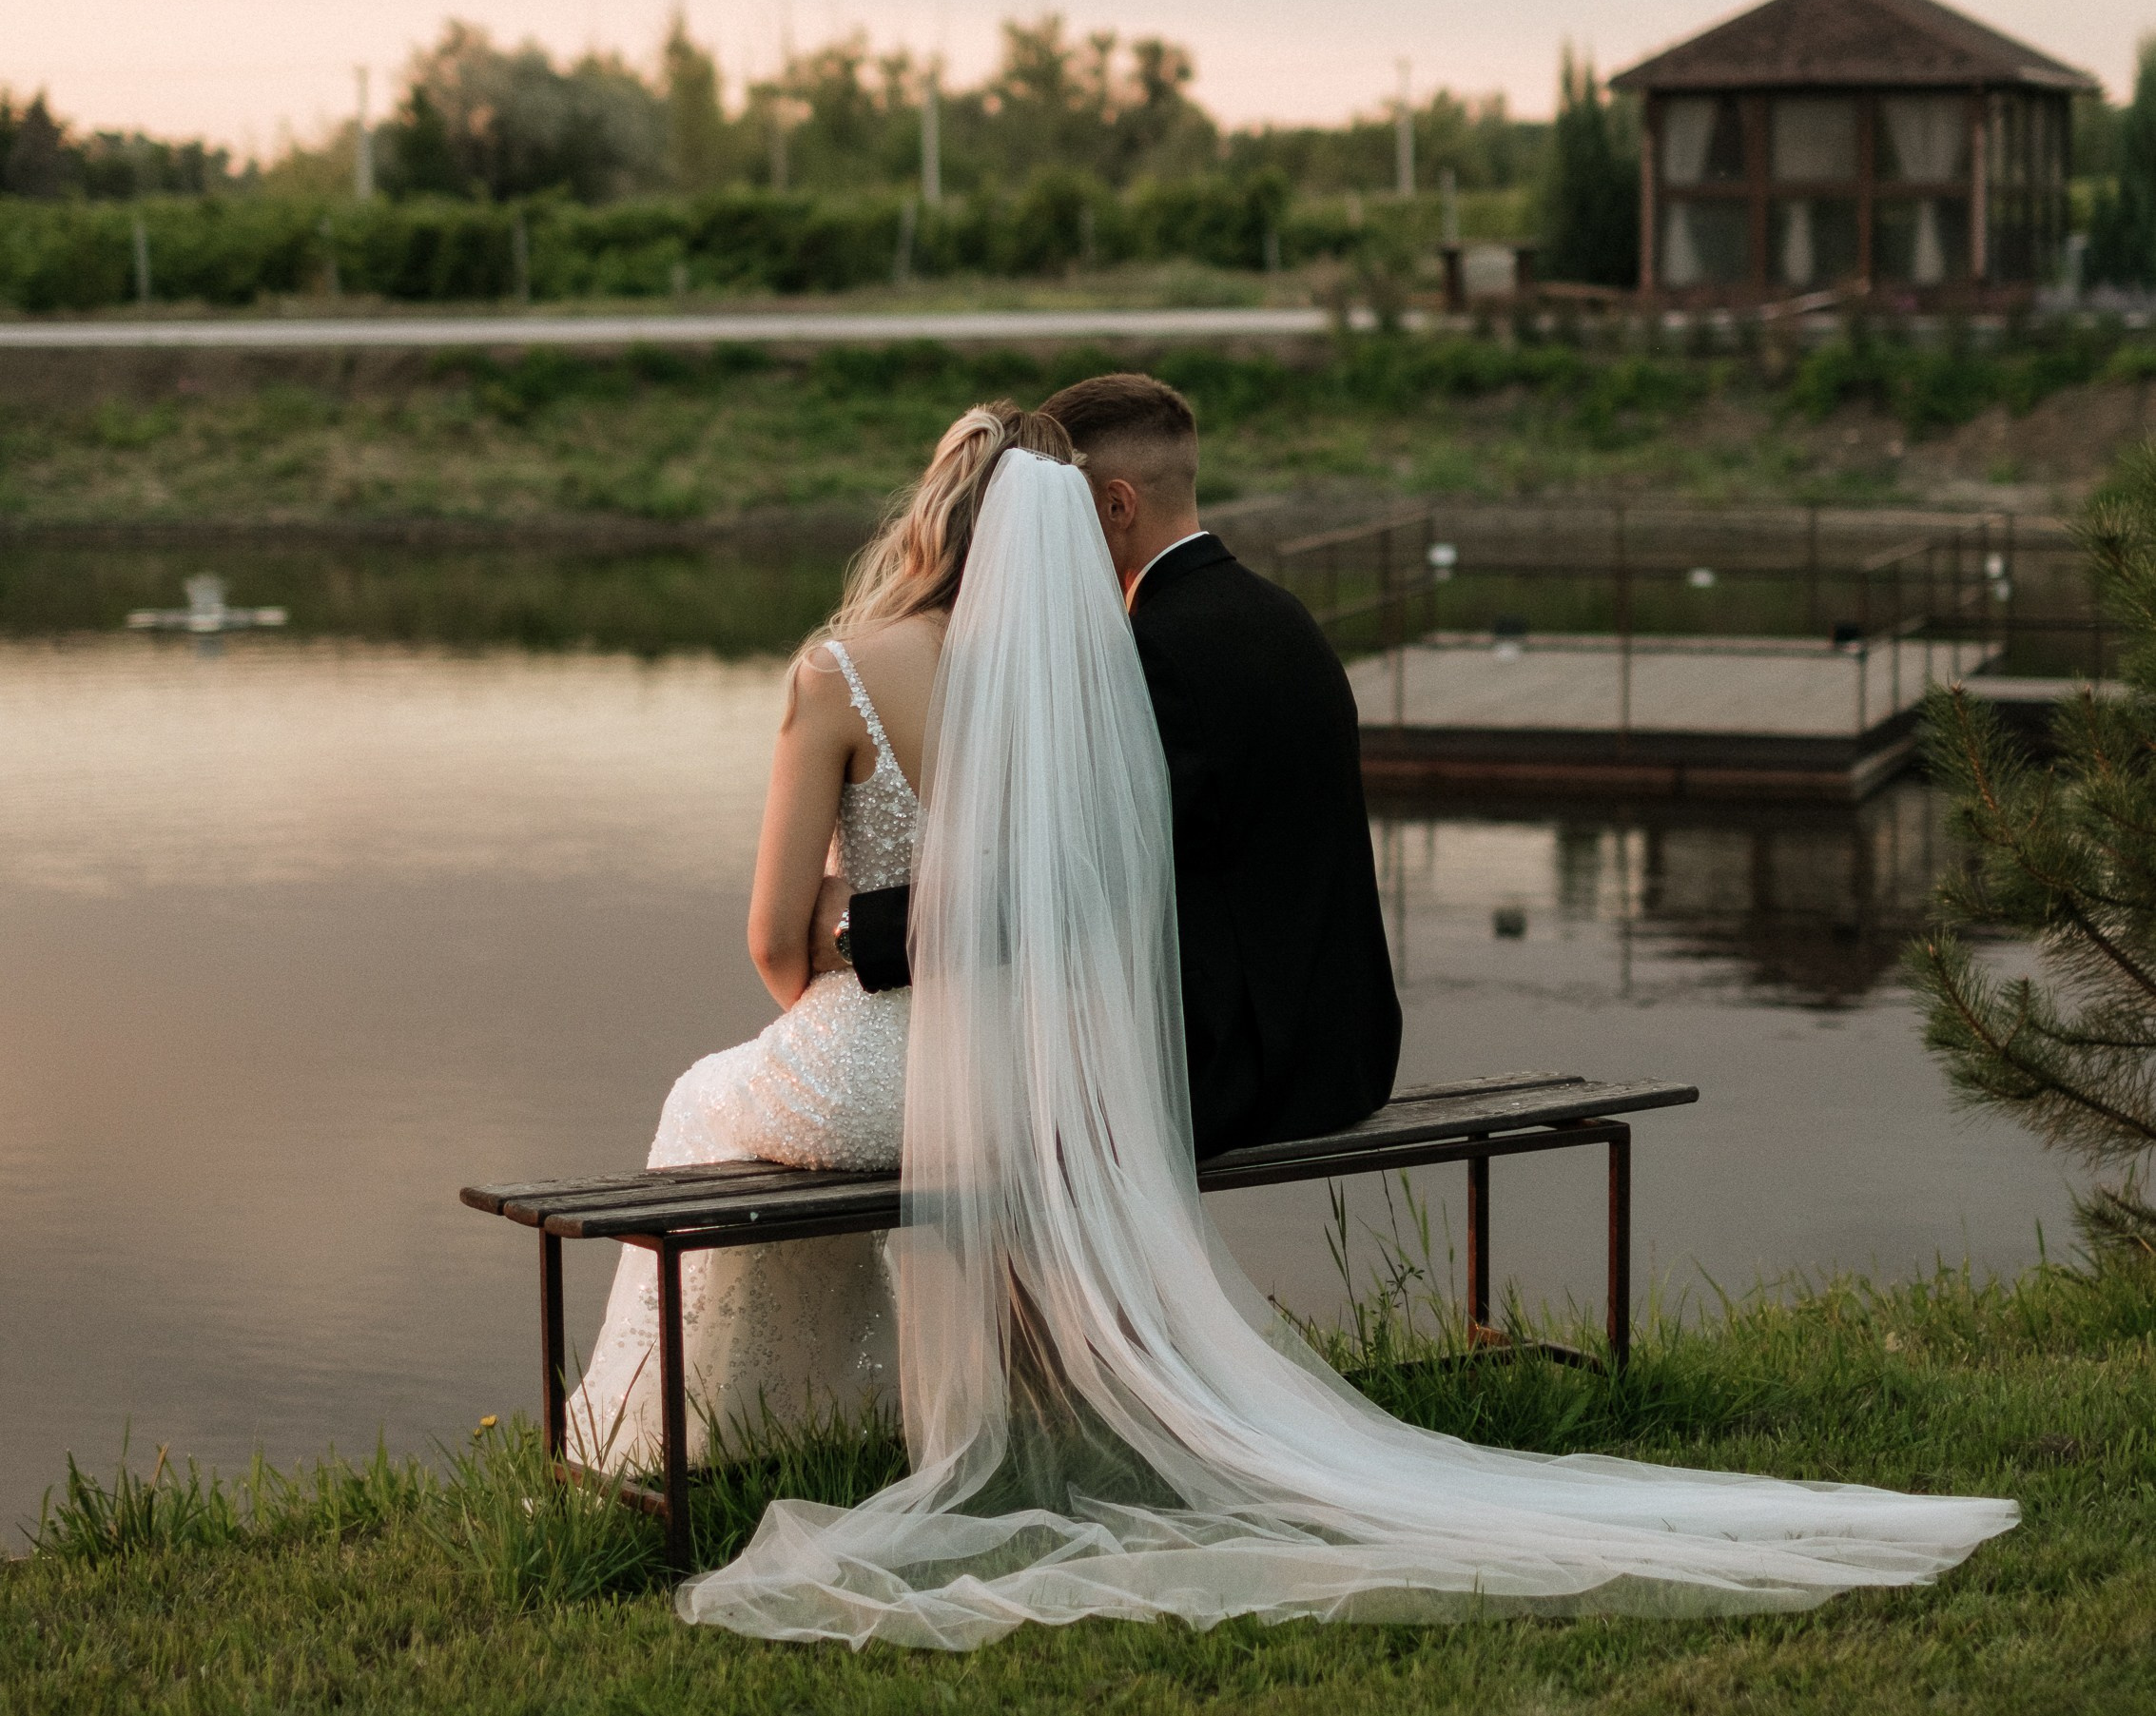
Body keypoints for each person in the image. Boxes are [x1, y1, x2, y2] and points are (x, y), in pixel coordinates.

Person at [675, 437, 2017, 1646]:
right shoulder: (1122, 667)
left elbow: (811, 943)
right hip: (1099, 1057)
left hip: (1010, 1062)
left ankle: (704, 1442)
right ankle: (809, 1425)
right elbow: (1077, 902)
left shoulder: (879, 672)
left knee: (697, 1104)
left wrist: (867, 955)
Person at [568, 401, 1036, 1474]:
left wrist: (840, 924)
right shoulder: (1083, 682)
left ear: (934, 505)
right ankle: (843, 1421)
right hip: (1029, 1072)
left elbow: (775, 943)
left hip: (880, 1082)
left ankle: (677, 1451)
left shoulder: (843, 671)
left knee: (699, 1098)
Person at [829, 372, 1400, 1158]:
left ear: (1115, 506)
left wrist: (859, 931)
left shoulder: (1150, 654)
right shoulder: (1280, 615)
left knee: (970, 1106)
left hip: (1231, 1078)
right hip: (1346, 1057)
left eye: (1059, 517)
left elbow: (1074, 875)